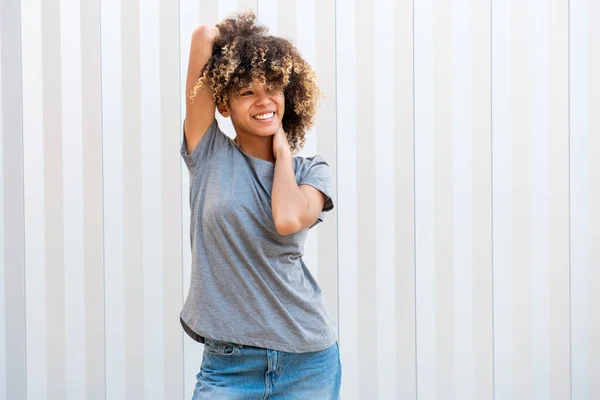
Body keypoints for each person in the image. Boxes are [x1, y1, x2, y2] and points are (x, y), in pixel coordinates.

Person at [180, 11, 341, 400]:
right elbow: (203, 36)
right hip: (229, 365)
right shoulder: (209, 154)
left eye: (272, 87)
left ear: (289, 96)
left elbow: (287, 219)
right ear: (224, 105)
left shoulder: (310, 171)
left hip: (307, 360)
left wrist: (283, 155)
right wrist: (245, 42)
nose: (263, 101)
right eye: (246, 91)